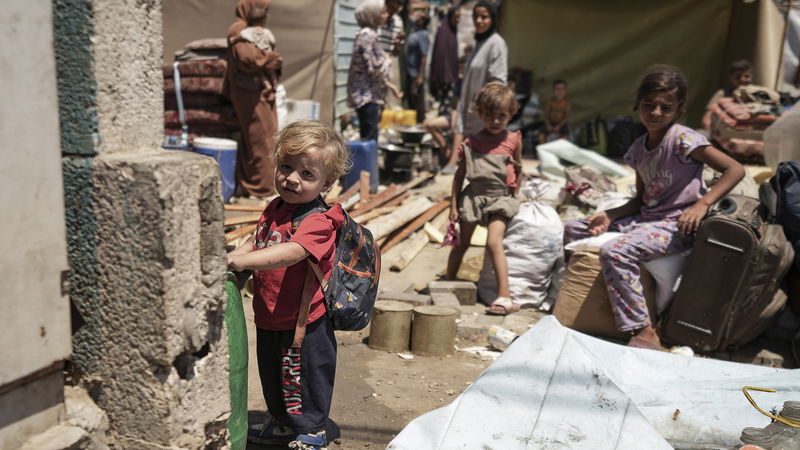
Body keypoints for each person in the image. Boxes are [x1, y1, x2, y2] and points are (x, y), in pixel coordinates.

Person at [563, 66, 745, 350]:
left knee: (616, 251)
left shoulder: (684, 139)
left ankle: (645, 328)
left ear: (679, 109)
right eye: (649, 105)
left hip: (677, 224)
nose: (656, 113)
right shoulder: (638, 149)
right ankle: (575, 307)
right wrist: (609, 216)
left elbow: (734, 169)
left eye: (665, 107)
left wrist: (701, 205)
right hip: (646, 219)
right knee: (574, 229)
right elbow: (640, 199)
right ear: (638, 104)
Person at [227, 120, 352, 450]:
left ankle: (311, 429)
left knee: (303, 377)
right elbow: (260, 242)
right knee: (273, 373)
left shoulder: (318, 220)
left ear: (328, 182)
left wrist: (242, 262)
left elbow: (292, 252)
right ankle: (283, 422)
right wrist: (233, 254)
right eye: (285, 167)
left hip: (304, 321)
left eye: (307, 174)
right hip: (270, 313)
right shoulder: (275, 207)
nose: (292, 179)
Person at [446, 83, 522, 315]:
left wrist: (517, 192)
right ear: (480, 113)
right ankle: (448, 286)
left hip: (499, 198)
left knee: (493, 243)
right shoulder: (471, 143)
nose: (496, 121)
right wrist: (453, 205)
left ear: (511, 114)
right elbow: (459, 176)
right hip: (474, 197)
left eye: (502, 116)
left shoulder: (513, 139)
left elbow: (519, 168)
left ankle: (504, 296)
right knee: (461, 245)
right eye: (490, 115)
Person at [223, 0, 283, 199]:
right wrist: (271, 59)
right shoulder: (238, 30)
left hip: (257, 91)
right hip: (249, 92)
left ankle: (252, 184)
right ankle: (263, 187)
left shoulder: (248, 30)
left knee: (263, 136)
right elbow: (248, 59)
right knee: (260, 138)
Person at [441, 1, 508, 175]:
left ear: (493, 19)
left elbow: (498, 81)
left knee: (483, 160)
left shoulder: (496, 44)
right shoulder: (479, 44)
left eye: (484, 17)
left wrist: (486, 107)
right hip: (471, 109)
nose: (479, 21)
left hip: (484, 112)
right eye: (476, 16)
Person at [347, 0, 402, 142]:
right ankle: (367, 164)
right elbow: (373, 68)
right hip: (365, 96)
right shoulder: (367, 35)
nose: (386, 15)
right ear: (373, 15)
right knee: (369, 138)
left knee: (371, 134)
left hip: (369, 94)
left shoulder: (370, 34)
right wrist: (388, 60)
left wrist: (390, 85)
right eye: (383, 12)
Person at [701, 59, 753, 132]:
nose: (742, 79)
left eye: (746, 76)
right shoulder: (722, 93)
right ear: (731, 77)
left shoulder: (757, 96)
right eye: (738, 76)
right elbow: (707, 117)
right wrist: (711, 133)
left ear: (751, 77)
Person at [429, 6, 460, 108]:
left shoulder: (453, 30)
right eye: (455, 17)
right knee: (444, 104)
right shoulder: (443, 31)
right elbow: (441, 56)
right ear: (450, 17)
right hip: (443, 77)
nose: (457, 20)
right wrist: (447, 76)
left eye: (459, 17)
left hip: (450, 76)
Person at [405, 13, 431, 124]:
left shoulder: (423, 35)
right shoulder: (415, 31)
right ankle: (413, 120)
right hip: (410, 71)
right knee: (412, 96)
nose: (417, 19)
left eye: (420, 18)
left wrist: (420, 75)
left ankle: (419, 121)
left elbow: (424, 56)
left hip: (416, 72)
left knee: (417, 97)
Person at [538, 79, 571, 144]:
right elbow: (546, 114)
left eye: (562, 89)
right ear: (553, 91)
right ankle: (542, 149)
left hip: (561, 124)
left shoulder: (567, 103)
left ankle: (562, 150)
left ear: (565, 91)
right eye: (557, 89)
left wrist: (559, 126)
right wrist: (548, 125)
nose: (560, 92)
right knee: (541, 134)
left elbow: (566, 116)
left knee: (565, 135)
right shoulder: (550, 101)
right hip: (550, 123)